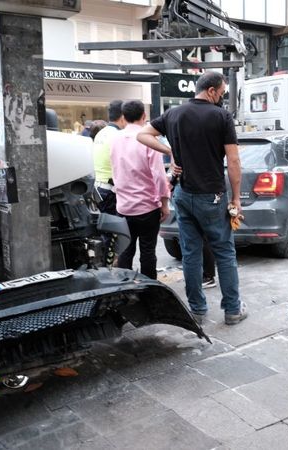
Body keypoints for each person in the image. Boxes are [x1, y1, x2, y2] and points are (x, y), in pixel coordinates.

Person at [137, 71, 246, 325]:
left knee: (191, 254)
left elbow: (142, 135)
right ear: (211, 91)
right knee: (225, 253)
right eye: (220, 93)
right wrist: (237, 198)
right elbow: (233, 160)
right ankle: (232, 310)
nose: (221, 98)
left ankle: (197, 310)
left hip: (184, 195)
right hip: (212, 195)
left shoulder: (174, 113)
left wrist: (170, 149)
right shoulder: (221, 116)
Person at [109, 100, 170, 279]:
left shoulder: (115, 139)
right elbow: (159, 175)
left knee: (126, 251)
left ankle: (124, 289)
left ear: (124, 117)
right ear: (144, 116)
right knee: (148, 251)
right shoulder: (148, 140)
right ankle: (148, 291)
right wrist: (164, 203)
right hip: (147, 206)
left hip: (124, 206)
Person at [93, 100, 126, 215]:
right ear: (123, 117)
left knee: (107, 228)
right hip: (112, 192)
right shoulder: (119, 136)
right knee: (117, 230)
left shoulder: (101, 133)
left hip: (99, 189)